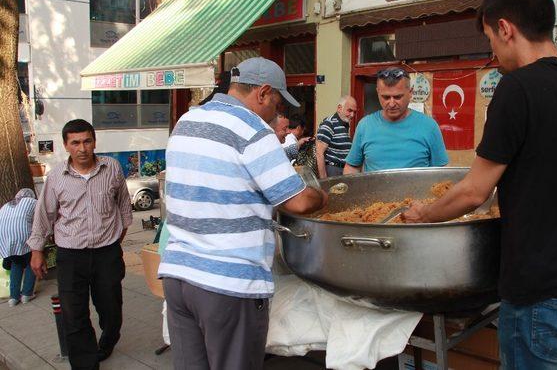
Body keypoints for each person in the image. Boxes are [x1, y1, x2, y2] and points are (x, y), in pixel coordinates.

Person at [403, 0, 557, 368]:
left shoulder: (518, 88)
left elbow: (474, 191)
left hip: (546, 295)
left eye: (489, 39)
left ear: (505, 28)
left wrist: (424, 214)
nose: (492, 52)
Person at [157, 57, 327, 370]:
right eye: (276, 103)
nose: (277, 114)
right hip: (227, 285)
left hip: (178, 276)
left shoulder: (187, 120)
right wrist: (323, 196)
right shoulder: (252, 130)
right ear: (263, 93)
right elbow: (298, 202)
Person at [28, 119, 132, 369]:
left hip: (107, 253)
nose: (82, 148)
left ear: (94, 142)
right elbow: (45, 214)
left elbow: (124, 205)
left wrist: (119, 236)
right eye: (75, 143)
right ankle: (85, 362)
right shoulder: (56, 177)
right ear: (66, 146)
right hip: (70, 255)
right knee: (73, 313)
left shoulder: (112, 168)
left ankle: (107, 343)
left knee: (111, 309)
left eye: (87, 141)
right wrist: (36, 251)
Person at [343, 69, 448, 173]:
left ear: (410, 93)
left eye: (398, 97)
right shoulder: (365, 126)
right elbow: (352, 167)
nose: (392, 103)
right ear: (378, 92)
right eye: (386, 97)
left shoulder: (429, 126)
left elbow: (441, 173)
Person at [0, 189, 37, 307]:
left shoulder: (6, 205)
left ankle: (14, 297)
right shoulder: (32, 201)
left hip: (5, 239)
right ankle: (27, 294)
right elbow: (40, 219)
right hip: (22, 237)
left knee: (16, 263)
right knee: (31, 261)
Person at [316, 95, 357, 178]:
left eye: (354, 112)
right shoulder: (329, 123)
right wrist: (324, 180)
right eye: (349, 110)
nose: (352, 115)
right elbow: (319, 154)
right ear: (339, 108)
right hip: (333, 170)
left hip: (342, 170)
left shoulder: (344, 124)